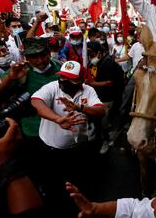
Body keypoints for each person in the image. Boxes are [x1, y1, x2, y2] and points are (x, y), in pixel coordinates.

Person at [31, 60, 105, 216]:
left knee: (76, 184)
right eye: (62, 77)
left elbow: (100, 110)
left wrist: (80, 107)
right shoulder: (52, 88)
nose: (64, 81)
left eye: (70, 78)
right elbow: (36, 101)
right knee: (52, 186)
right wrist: (57, 119)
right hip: (50, 150)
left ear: (81, 81)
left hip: (77, 150)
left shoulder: (88, 91)